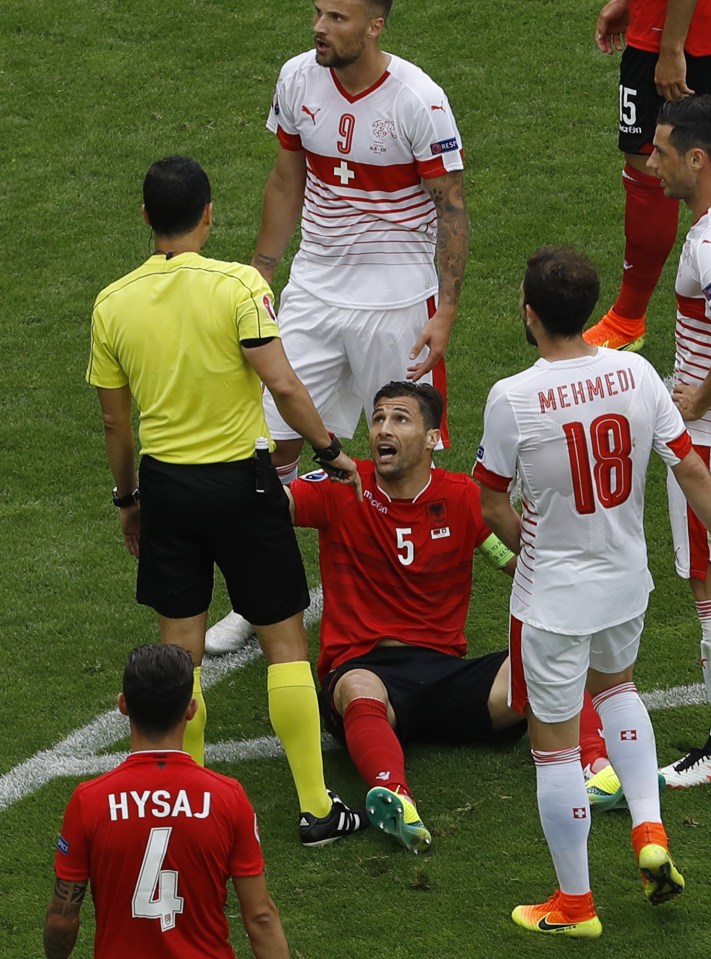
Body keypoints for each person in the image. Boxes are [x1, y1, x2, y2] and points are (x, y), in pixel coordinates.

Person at [87, 155, 365, 846]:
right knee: (284, 642)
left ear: (146, 216)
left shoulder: (112, 302)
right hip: (243, 483)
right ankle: (315, 807)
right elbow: (286, 388)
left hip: (168, 487)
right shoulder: (239, 285)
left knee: (180, 654)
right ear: (208, 215)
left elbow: (115, 423)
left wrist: (129, 499)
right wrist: (330, 451)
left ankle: (190, 809)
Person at [206, 0, 468, 655]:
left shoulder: (419, 101)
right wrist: (262, 269)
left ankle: (405, 599)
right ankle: (260, 597)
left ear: (375, 26)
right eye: (318, 13)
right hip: (316, 293)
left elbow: (452, 209)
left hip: (398, 303)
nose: (321, 27)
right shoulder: (297, 79)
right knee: (266, 449)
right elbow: (286, 176)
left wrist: (446, 308)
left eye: (338, 17)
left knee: (402, 455)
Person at [474, 246, 711, 937]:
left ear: (528, 312)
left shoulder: (512, 397)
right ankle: (647, 829)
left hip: (552, 597)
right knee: (617, 690)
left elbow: (489, 504)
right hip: (623, 581)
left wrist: (531, 547)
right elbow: (690, 470)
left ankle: (574, 905)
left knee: (553, 749)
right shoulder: (636, 371)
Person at [287, 381, 610, 853]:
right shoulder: (344, 484)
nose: (383, 429)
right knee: (358, 688)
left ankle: (598, 769)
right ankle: (395, 796)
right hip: (365, 668)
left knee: (541, 659)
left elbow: (513, 558)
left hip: (445, 675)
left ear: (433, 438)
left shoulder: (461, 497)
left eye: (400, 418)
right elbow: (279, 507)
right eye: (378, 418)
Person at [43, 644, 290, 959]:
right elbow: (261, 916)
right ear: (191, 709)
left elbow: (63, 917)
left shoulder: (90, 800)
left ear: (123, 705)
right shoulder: (227, 797)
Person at [583, 0, 711, 353]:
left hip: (680, 38)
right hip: (666, 27)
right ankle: (628, 317)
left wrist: (670, 47)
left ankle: (628, 317)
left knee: (655, 165)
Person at [651, 95, 711, 786]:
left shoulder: (705, 241)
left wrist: (699, 393)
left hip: (702, 441)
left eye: (662, 152)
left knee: (705, 591)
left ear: (695, 160)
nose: (652, 163)